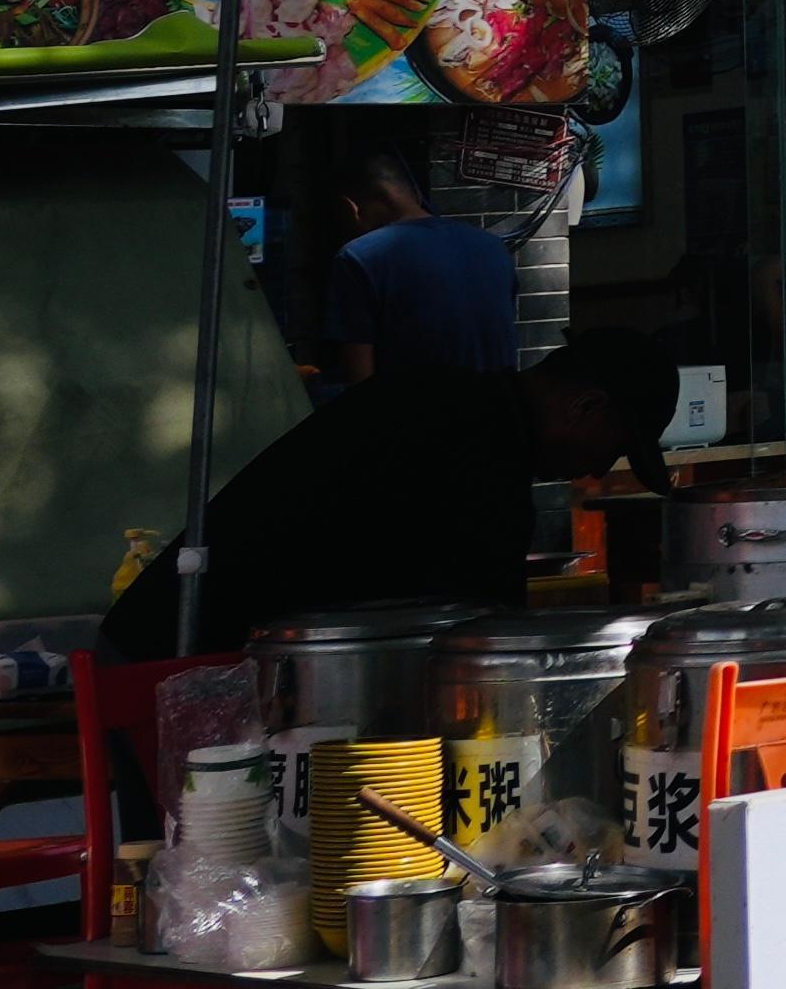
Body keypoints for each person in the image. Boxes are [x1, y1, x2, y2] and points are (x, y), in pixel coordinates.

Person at [96, 340, 678, 658]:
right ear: (585, 407)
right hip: (181, 659)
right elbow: (482, 646)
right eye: (615, 447)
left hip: (185, 642)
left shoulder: (445, 400)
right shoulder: (479, 455)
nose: (601, 470)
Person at [321, 145, 526, 382]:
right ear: (414, 194)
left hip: (417, 416)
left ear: (351, 208)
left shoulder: (357, 258)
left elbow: (359, 379)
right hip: (500, 411)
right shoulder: (493, 247)